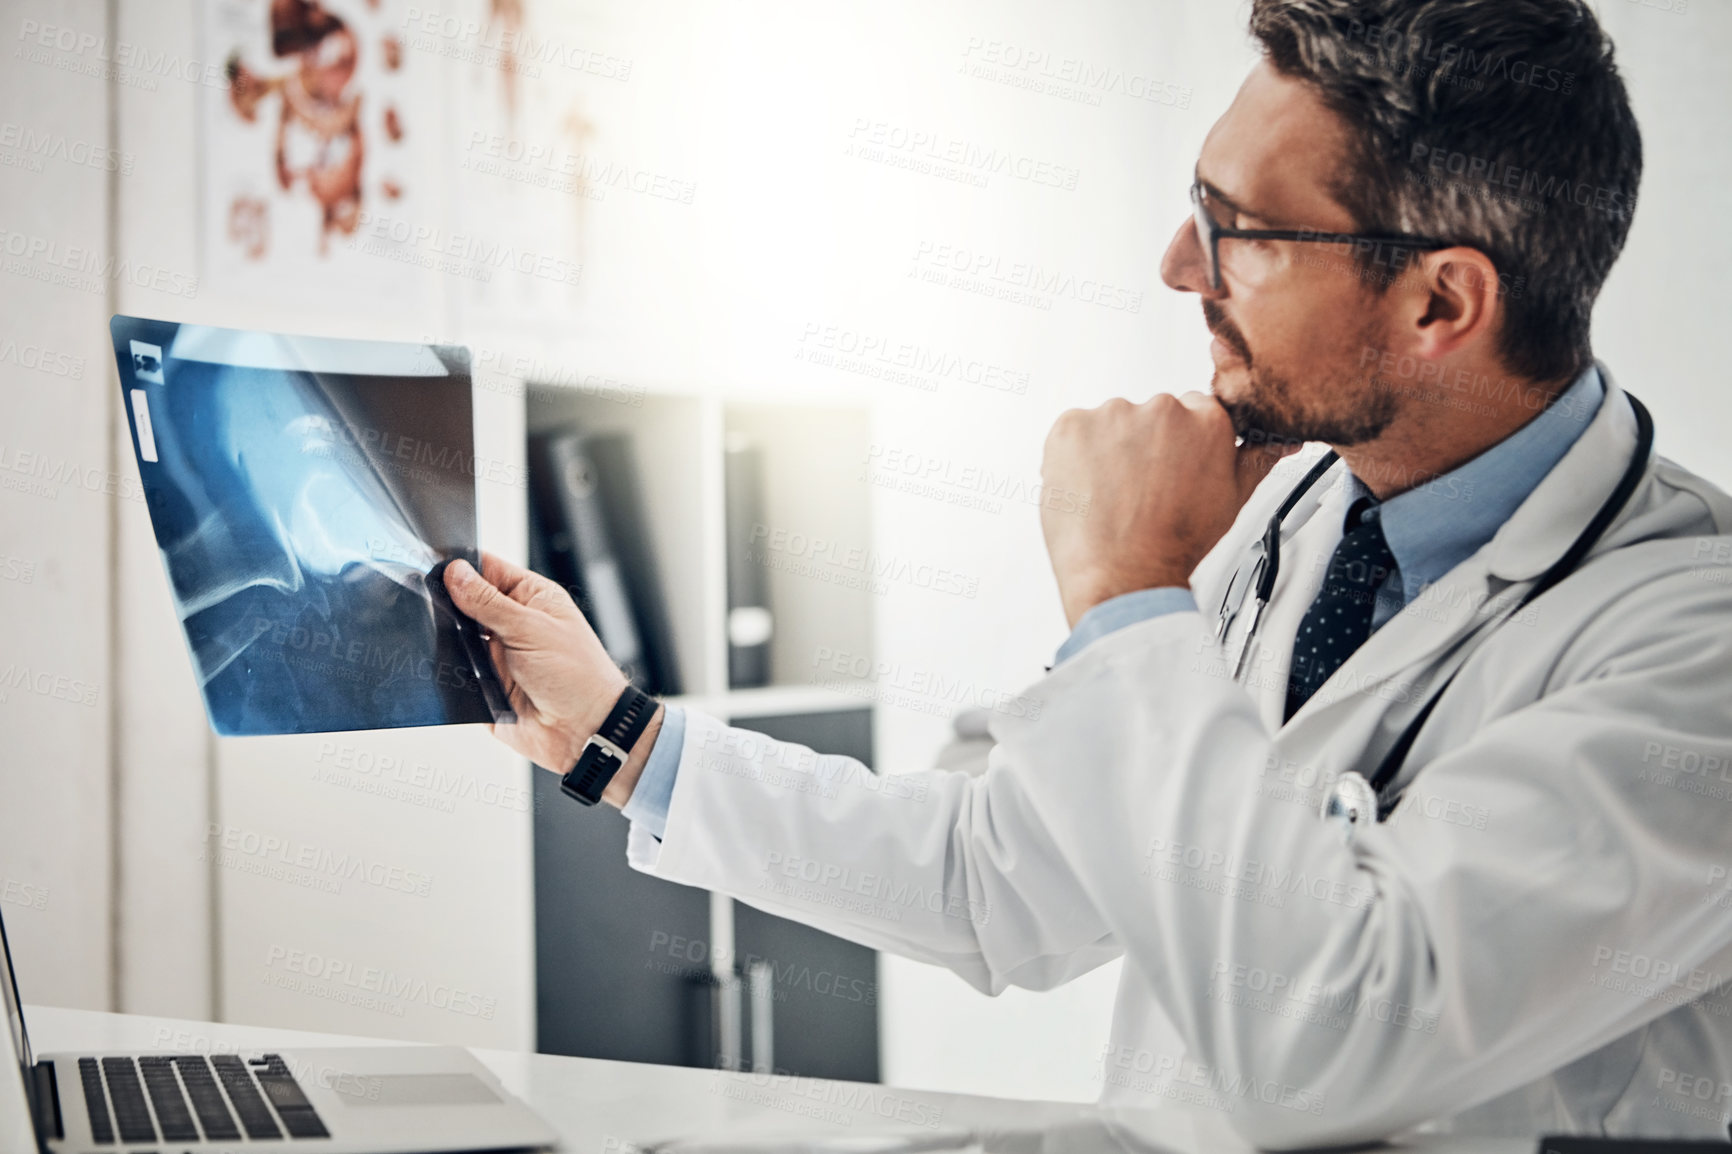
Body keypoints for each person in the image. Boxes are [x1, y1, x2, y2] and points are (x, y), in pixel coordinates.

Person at [443, 0, 1732, 1145]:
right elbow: (999, 879)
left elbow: (1332, 1048)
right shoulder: (1305, 524)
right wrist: (618, 739)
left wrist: (1126, 594)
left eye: (1239, 232)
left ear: (1441, 304)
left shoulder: (1689, 648)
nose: (1180, 266)